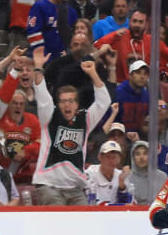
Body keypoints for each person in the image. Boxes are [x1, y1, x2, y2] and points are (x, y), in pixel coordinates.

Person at [30, 53, 111, 205]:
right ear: (58, 104)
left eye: (71, 101)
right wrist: (38, 68)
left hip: (75, 188)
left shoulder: (85, 119)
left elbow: (104, 101)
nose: (67, 105)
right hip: (49, 186)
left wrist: (93, 73)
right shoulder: (49, 115)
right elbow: (41, 92)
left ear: (77, 104)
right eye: (63, 101)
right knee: (57, 221)